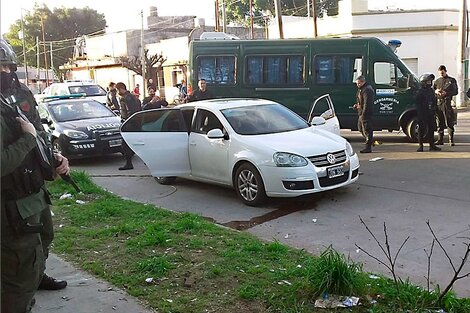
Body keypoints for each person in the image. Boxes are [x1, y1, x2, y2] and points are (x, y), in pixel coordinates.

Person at [1, 39, 70, 313]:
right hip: (9, 205)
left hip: (33, 194)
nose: (5, 72)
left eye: (7, 66)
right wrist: (28, 140)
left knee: (43, 242)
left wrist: (53, 159)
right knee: (18, 269)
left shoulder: (19, 94)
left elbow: (39, 132)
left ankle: (35, 279)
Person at [116, 82, 141, 170]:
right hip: (134, 122)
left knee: (125, 144)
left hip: (129, 123)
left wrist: (127, 121)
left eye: (117, 90)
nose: (117, 92)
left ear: (121, 89)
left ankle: (129, 163)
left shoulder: (126, 98)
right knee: (135, 142)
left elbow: (130, 111)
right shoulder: (132, 96)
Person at [415, 73, 441, 152]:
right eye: (428, 81)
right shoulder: (420, 92)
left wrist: (435, 111)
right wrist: (420, 114)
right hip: (423, 113)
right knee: (421, 130)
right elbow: (418, 104)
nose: (429, 83)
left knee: (431, 129)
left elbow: (434, 101)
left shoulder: (431, 91)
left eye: (430, 81)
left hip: (431, 113)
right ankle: (420, 146)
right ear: (423, 82)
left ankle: (432, 145)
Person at [433, 65, 458, 146]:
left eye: (443, 73)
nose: (441, 74)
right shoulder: (437, 81)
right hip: (438, 103)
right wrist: (436, 91)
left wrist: (446, 93)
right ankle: (440, 139)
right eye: (440, 73)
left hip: (447, 103)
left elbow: (455, 91)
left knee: (449, 121)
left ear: (445, 71)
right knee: (439, 122)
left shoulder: (451, 80)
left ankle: (451, 139)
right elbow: (432, 91)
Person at [353, 75, 375, 153]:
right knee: (360, 128)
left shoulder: (367, 90)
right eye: (357, 83)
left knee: (367, 129)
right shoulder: (361, 89)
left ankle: (368, 147)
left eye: (359, 83)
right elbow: (360, 100)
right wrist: (357, 105)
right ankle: (370, 140)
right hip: (361, 111)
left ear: (363, 82)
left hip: (365, 113)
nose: (357, 85)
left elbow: (367, 103)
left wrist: (364, 113)